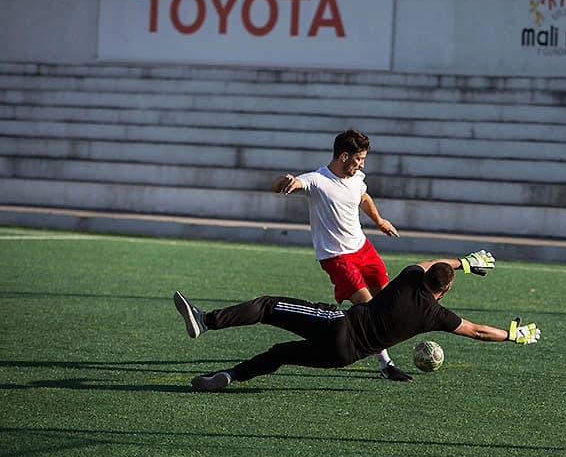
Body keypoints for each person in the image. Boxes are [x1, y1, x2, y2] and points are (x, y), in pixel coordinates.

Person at [173, 250, 541, 391]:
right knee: (281, 353)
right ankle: (228, 377)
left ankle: (206, 321)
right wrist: (512, 335)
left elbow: (431, 265)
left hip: (337, 324)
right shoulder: (436, 314)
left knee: (269, 305)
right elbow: (476, 331)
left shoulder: (410, 277)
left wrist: (464, 261)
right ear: (445, 291)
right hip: (345, 355)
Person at [271, 129, 408, 380]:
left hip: (363, 249)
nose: (361, 165)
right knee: (367, 310)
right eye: (358, 160)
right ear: (344, 156)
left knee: (387, 301)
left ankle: (368, 339)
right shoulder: (317, 179)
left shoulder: (356, 178)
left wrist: (379, 221)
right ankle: (385, 364)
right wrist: (285, 180)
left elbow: (363, 196)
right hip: (337, 258)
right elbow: (286, 185)